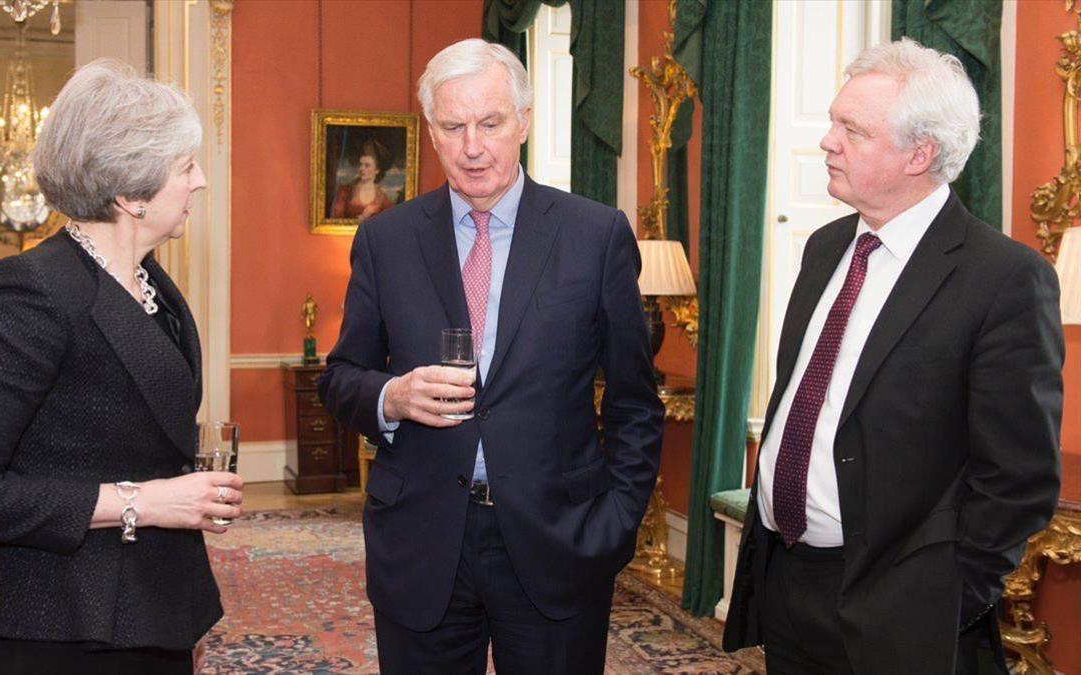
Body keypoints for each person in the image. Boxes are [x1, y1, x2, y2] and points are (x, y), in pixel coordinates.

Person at [319, 38, 664, 674]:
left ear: (524, 122)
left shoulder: (594, 235)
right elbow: (340, 377)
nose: (472, 146)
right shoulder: (385, 240)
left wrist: (615, 525)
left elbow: (635, 402)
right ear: (432, 129)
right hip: (420, 543)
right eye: (453, 126)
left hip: (558, 543)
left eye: (491, 123)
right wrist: (389, 397)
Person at [722, 39, 1063, 675]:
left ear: (920, 153)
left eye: (852, 129)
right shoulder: (826, 247)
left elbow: (1018, 477)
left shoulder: (1004, 279)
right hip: (788, 578)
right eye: (833, 121)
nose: (827, 140)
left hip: (901, 610)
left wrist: (947, 598)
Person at [0, 59, 243, 675]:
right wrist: (142, 502)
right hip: (57, 627)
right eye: (184, 167)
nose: (198, 182)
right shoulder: (33, 291)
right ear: (131, 195)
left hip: (149, 608)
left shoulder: (152, 285)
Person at [330, 138, 395, 219]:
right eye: (360, 164)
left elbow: (390, 221)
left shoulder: (382, 198)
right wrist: (363, 216)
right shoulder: (345, 191)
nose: (362, 168)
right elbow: (336, 220)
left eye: (367, 165)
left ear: (377, 170)